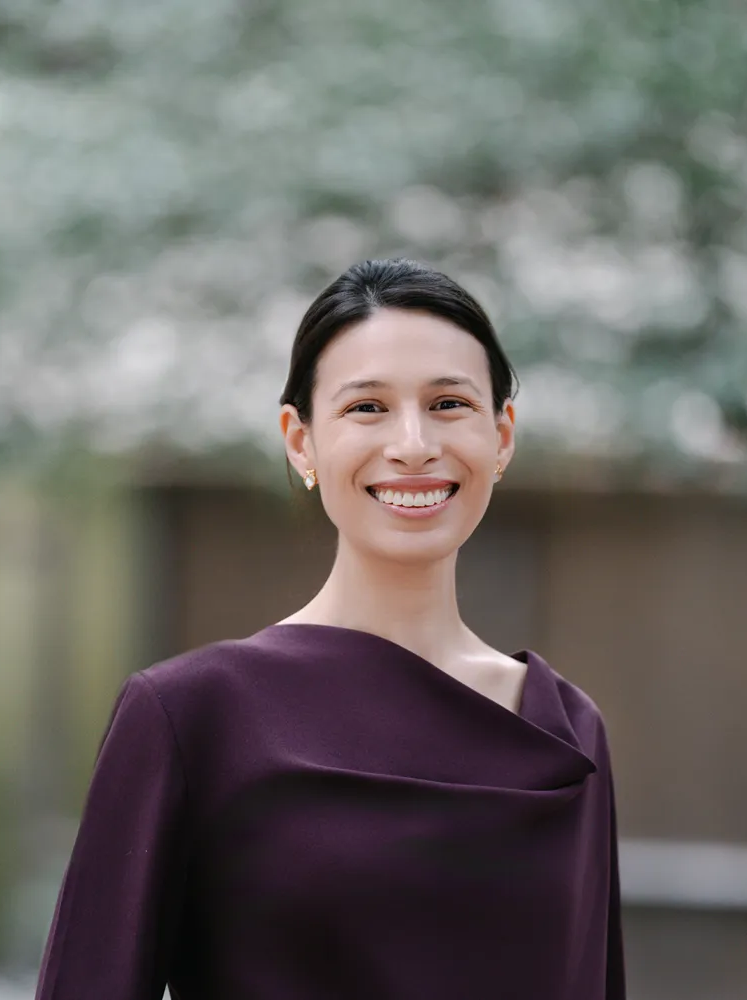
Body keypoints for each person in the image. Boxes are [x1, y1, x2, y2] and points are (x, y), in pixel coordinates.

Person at [34, 258, 625, 1000]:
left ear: (501, 437)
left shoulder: (568, 730)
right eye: (367, 408)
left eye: (448, 404)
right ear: (300, 439)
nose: (413, 444)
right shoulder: (191, 716)